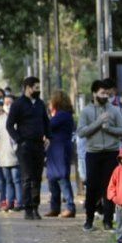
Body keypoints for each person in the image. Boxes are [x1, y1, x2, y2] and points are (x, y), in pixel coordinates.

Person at [78, 79, 122, 231]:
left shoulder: (114, 110)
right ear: (94, 94)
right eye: (102, 93)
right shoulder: (86, 111)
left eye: (107, 93)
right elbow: (81, 132)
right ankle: (89, 220)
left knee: (110, 188)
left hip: (111, 153)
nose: (105, 96)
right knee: (92, 188)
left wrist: (110, 129)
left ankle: (108, 221)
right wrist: (98, 123)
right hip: (93, 154)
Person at [6, 77, 50, 220]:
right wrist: (19, 140)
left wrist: (48, 137)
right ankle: (27, 208)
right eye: (36, 87)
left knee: (37, 177)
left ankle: (35, 207)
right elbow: (9, 125)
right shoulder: (18, 104)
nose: (38, 90)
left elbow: (46, 122)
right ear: (27, 87)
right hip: (25, 145)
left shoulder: (40, 104)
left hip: (39, 145)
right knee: (27, 177)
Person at [45, 90, 76, 218]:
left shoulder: (63, 115)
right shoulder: (61, 115)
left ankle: (70, 206)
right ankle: (55, 207)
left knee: (62, 177)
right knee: (52, 178)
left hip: (60, 148)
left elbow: (48, 125)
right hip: (54, 148)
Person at [0, 94, 22, 212]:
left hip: (16, 154)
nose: (8, 105)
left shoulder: (19, 117)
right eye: (6, 103)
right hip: (3, 155)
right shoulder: (0, 119)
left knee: (17, 179)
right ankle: (9, 202)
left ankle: (19, 202)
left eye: (10, 103)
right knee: (8, 180)